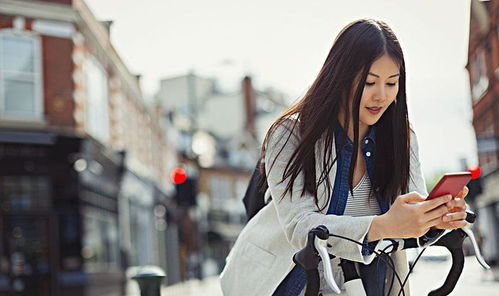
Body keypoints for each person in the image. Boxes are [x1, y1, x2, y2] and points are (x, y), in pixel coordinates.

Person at [219, 18, 469, 296]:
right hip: (289, 278)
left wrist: (433, 218)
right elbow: (301, 227)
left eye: (392, 83)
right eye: (369, 82)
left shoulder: (402, 137)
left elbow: (411, 209)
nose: (381, 96)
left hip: (370, 278)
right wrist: (382, 225)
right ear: (340, 77)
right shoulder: (289, 134)